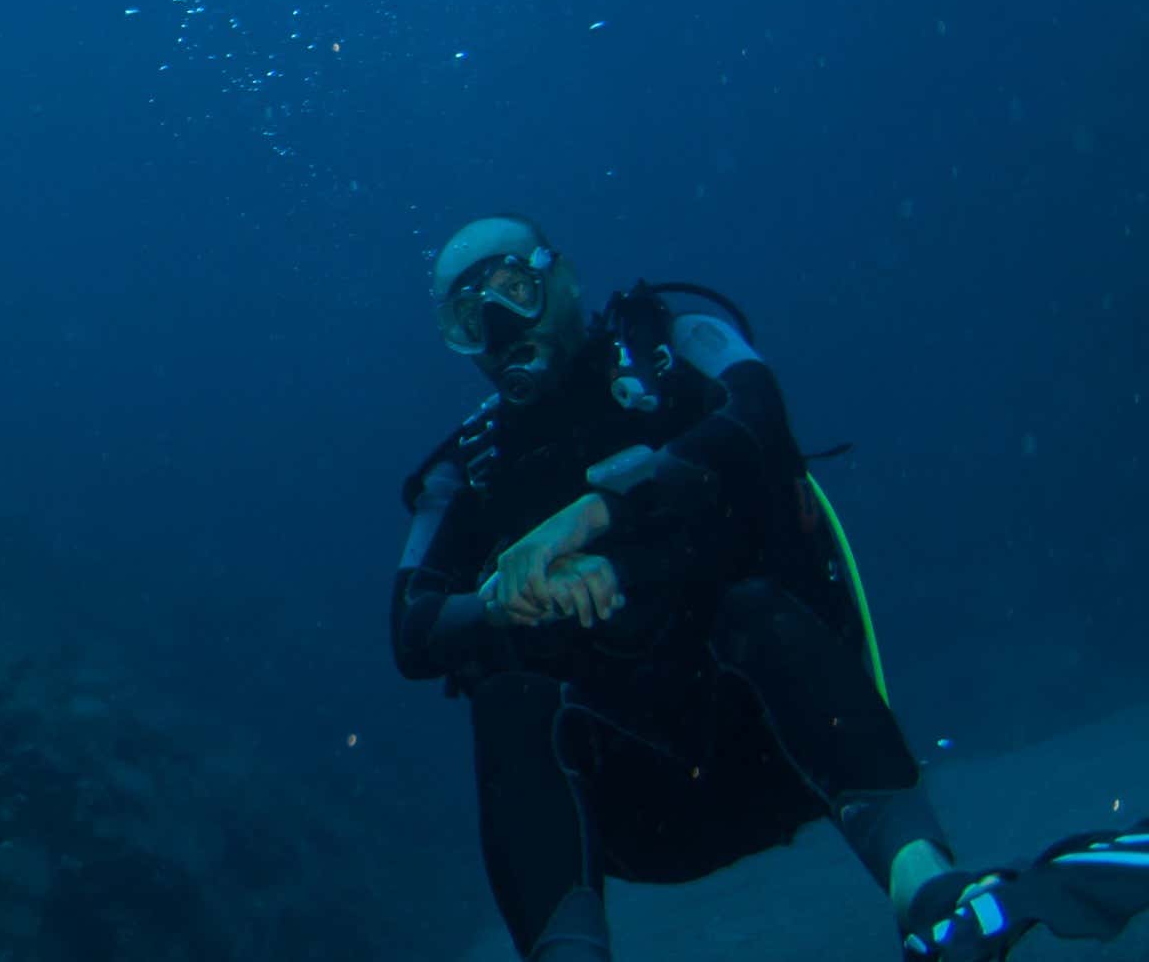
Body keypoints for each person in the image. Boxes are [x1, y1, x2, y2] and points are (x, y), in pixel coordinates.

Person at [385, 215, 1149, 962]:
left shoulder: (672, 347)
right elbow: (411, 628)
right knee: (507, 700)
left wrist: (596, 520)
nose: (499, 322)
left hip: (790, 748)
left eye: (514, 286)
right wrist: (501, 599)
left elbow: (760, 420)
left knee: (750, 604)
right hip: (636, 809)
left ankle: (930, 895)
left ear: (566, 277)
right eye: (467, 314)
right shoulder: (467, 468)